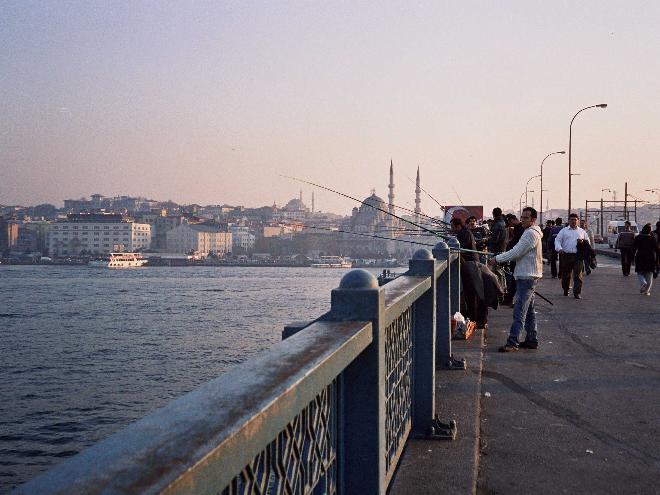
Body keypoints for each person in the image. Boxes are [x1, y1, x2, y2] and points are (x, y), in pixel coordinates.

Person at [488, 207, 543, 352]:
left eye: (526, 217)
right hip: (527, 275)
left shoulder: (531, 234)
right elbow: (517, 252)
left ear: (533, 220)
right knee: (529, 311)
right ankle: (532, 340)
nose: (522, 219)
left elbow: (516, 252)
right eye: (522, 217)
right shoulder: (529, 232)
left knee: (519, 311)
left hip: (527, 277)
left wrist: (497, 259)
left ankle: (513, 342)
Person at [450, 218, 488, 329]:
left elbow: (460, 249)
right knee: (471, 295)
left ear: (458, 226)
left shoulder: (464, 234)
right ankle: (474, 319)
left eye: (452, 227)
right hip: (470, 266)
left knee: (472, 295)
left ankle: (475, 320)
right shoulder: (465, 232)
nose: (452, 229)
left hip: (470, 267)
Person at [555, 213, 590, 299]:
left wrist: (582, 242)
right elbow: (557, 240)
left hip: (578, 256)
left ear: (578, 221)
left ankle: (577, 293)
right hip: (566, 255)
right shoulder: (564, 231)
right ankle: (566, 289)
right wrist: (559, 248)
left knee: (578, 275)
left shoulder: (582, 232)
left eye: (575, 220)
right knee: (566, 275)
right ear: (569, 221)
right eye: (572, 219)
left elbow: (588, 243)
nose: (573, 221)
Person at [632, 223, 658, 296]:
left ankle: (643, 283)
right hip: (650, 257)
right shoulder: (652, 238)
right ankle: (646, 291)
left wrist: (632, 258)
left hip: (640, 256)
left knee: (640, 272)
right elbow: (657, 249)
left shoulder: (638, 237)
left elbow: (634, 248)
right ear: (649, 231)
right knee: (649, 274)